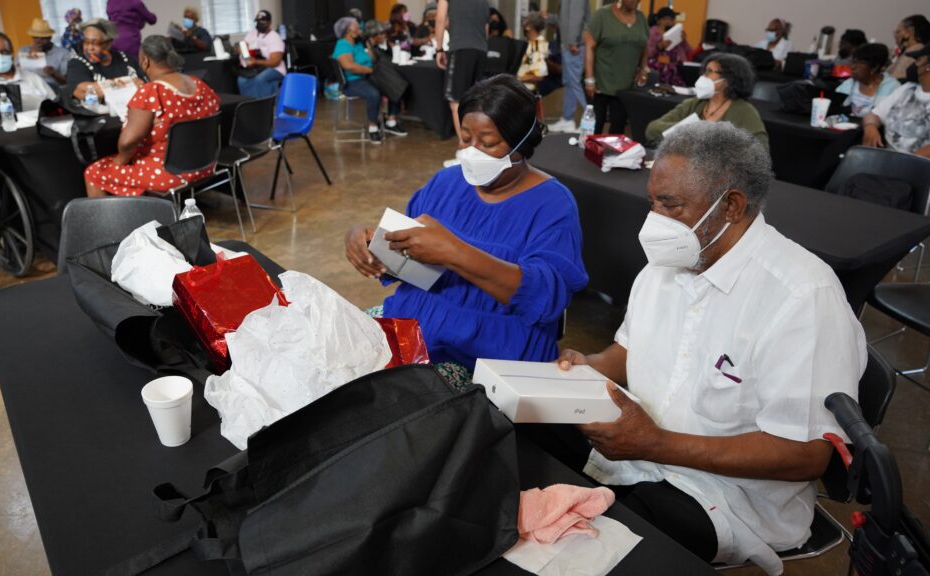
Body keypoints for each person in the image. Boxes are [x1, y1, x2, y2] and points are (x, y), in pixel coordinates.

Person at [557, 121, 865, 573]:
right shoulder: (666, 267)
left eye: (671, 205)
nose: (654, 221)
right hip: (642, 456)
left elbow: (806, 454)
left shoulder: (802, 297)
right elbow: (630, 350)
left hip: (730, 499)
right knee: (524, 442)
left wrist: (656, 443)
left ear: (731, 206)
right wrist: (590, 365)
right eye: (652, 203)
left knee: (599, 547)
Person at [344, 75, 588, 386]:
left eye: (487, 143)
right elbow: (407, 253)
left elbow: (545, 298)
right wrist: (366, 243)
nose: (472, 152)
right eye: (465, 138)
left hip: (486, 352)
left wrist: (454, 253)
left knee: (389, 402)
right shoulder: (447, 182)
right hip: (412, 324)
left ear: (521, 143)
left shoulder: (553, 205)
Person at [84, 35, 219, 197]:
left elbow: (128, 142)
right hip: (205, 165)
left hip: (169, 173)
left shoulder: (152, 92)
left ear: (145, 61)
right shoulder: (199, 83)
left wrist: (120, 160)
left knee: (93, 172)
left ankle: (115, 221)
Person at [645, 53, 767, 149]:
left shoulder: (745, 111)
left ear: (728, 79)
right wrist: (690, 129)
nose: (703, 76)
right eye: (704, 71)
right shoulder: (694, 103)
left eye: (709, 71)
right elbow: (652, 130)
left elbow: (761, 150)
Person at [583, 0, 648, 136]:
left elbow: (644, 45)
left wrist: (643, 68)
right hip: (601, 81)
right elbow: (589, 46)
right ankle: (589, 153)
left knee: (618, 126)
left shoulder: (641, 18)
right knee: (595, 124)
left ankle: (612, 155)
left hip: (625, 83)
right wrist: (589, 78)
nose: (636, 1)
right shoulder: (603, 15)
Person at [333, 17, 403, 143]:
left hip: (367, 78)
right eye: (357, 27)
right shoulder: (343, 45)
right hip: (352, 82)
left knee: (393, 83)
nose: (360, 29)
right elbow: (349, 66)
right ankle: (373, 127)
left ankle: (391, 121)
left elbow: (373, 60)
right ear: (349, 30)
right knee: (373, 93)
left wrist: (368, 44)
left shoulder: (358, 43)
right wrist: (369, 71)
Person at [436, 0, 490, 162]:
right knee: (477, 103)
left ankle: (466, 151)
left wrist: (439, 49)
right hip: (481, 50)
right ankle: (479, 148)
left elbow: (440, 19)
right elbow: (486, 27)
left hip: (460, 48)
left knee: (456, 102)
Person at [862, 44, 930, 158]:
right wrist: (870, 127)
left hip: (917, 168)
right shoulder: (907, 88)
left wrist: (902, 164)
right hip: (885, 159)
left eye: (918, 60)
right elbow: (874, 114)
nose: (914, 65)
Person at [66, 19, 143, 104]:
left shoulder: (126, 59)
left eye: (95, 43)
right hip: (98, 115)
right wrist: (127, 83)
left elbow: (142, 84)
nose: (89, 48)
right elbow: (83, 91)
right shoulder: (77, 63)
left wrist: (104, 88)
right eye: (86, 42)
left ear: (109, 43)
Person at [546, 0, 589, 133]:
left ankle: (590, 123)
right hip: (570, 44)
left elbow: (576, 17)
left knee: (575, 83)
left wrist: (572, 41)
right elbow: (564, 18)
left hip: (574, 44)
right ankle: (567, 119)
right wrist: (550, 17)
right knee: (570, 82)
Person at [835, 43, 900, 118]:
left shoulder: (893, 88)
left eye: (860, 63)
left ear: (875, 67)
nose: (853, 67)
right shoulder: (848, 84)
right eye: (854, 61)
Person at [235, 10, 286, 100]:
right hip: (257, 67)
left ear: (269, 23)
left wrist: (255, 62)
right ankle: (249, 105)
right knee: (241, 80)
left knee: (260, 79)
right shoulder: (253, 33)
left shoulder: (275, 37)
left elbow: (275, 62)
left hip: (275, 69)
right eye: (258, 22)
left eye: (263, 22)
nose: (260, 24)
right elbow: (242, 47)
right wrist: (245, 56)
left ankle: (264, 107)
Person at [646, 7, 692, 87]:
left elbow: (689, 50)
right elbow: (647, 53)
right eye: (665, 19)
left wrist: (684, 40)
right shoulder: (653, 32)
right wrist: (659, 46)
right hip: (658, 67)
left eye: (671, 19)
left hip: (676, 67)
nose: (668, 22)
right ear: (659, 20)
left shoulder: (676, 32)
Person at [19, 18, 70, 89]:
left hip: (53, 90)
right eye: (36, 37)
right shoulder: (24, 50)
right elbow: (16, 72)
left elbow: (66, 82)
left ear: (50, 37)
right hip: (29, 89)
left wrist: (54, 74)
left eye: (43, 38)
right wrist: (31, 54)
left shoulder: (63, 53)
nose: (39, 41)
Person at [886, 15, 929, 81]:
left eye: (898, 32)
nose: (895, 35)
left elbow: (896, 78)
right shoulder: (910, 50)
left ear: (908, 33)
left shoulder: (914, 50)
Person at [517, 13, 549, 92]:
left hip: (527, 90)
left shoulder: (537, 45)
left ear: (528, 26)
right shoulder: (532, 44)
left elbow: (539, 75)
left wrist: (517, 79)